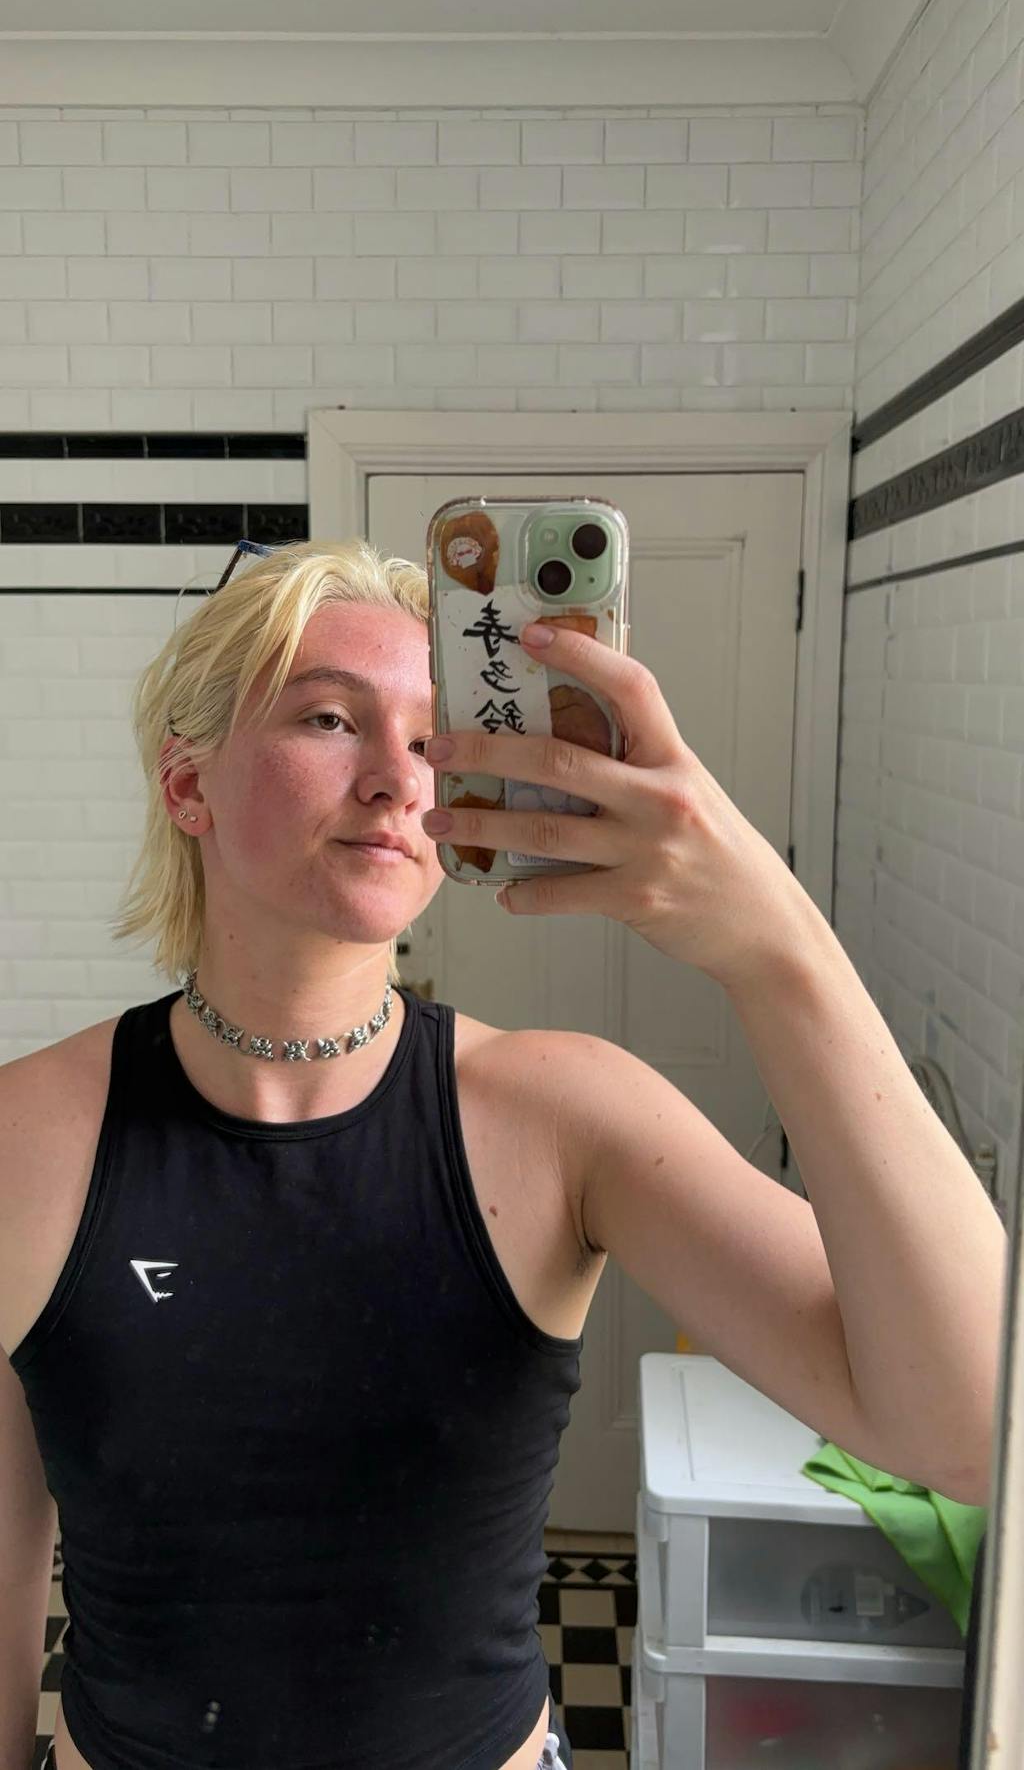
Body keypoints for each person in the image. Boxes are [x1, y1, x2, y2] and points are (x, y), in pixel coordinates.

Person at [1, 539, 1005, 1770]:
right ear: (186, 780)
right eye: (330, 718)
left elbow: (964, 1430)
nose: (396, 779)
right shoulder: (26, 1140)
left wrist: (775, 947)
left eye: (433, 742)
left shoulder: (564, 1116)